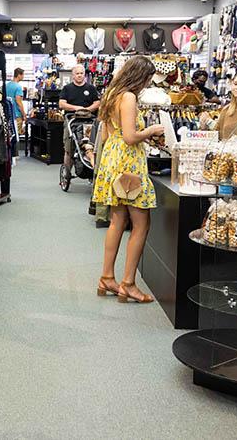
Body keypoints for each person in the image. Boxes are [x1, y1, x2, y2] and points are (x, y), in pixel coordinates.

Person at [91, 56, 163, 304]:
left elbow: (108, 134)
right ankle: (128, 284)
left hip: (113, 160)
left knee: (117, 220)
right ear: (140, 76)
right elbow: (131, 136)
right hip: (129, 163)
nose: (146, 85)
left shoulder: (111, 94)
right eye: (147, 80)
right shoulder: (129, 97)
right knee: (141, 223)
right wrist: (151, 131)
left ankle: (107, 277)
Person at [59, 65, 100, 169]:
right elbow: (61, 104)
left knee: (91, 144)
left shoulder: (91, 88)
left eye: (81, 73)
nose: (79, 75)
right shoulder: (67, 88)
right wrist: (77, 108)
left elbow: (97, 103)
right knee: (69, 148)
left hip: (89, 120)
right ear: (73, 75)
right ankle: (67, 171)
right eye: (77, 73)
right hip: (71, 120)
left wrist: (88, 109)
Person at [5, 68, 26, 136]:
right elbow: (19, 102)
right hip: (16, 115)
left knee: (9, 135)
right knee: (17, 135)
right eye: (23, 75)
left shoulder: (7, 85)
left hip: (7, 113)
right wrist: (24, 114)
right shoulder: (18, 87)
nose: (23, 77)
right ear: (19, 75)